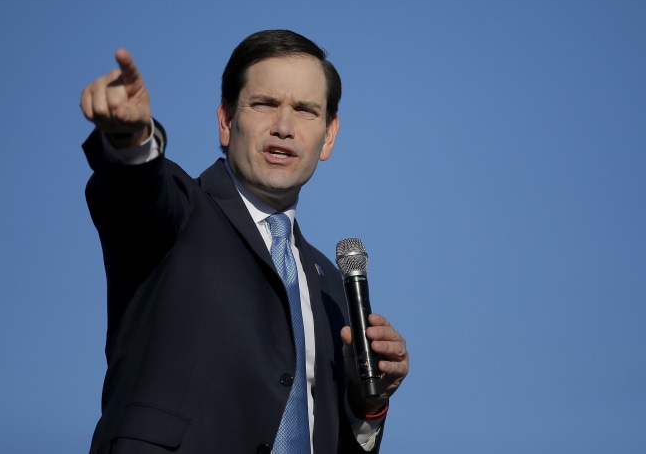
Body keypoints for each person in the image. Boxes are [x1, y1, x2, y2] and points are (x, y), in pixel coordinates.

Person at [80, 29, 409, 454]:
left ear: (328, 135)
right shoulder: (181, 213)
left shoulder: (330, 286)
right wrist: (130, 140)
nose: (284, 127)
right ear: (227, 120)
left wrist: (367, 403)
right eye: (265, 104)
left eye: (306, 110)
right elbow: (136, 191)